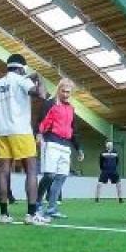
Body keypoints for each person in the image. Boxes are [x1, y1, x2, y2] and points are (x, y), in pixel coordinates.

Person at [0, 53, 49, 225]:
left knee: (3, 171)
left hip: (2, 132)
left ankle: (3, 214)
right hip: (21, 131)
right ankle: (31, 215)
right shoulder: (22, 80)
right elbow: (43, 95)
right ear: (22, 68)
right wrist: (39, 77)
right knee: (31, 170)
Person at [36, 78, 84, 219]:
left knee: (61, 177)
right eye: (63, 91)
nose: (65, 94)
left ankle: (52, 208)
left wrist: (79, 148)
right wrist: (38, 134)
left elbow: (73, 130)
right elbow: (40, 120)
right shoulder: (49, 103)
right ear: (58, 90)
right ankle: (37, 204)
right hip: (51, 142)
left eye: (68, 92)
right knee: (49, 175)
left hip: (65, 146)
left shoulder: (71, 108)